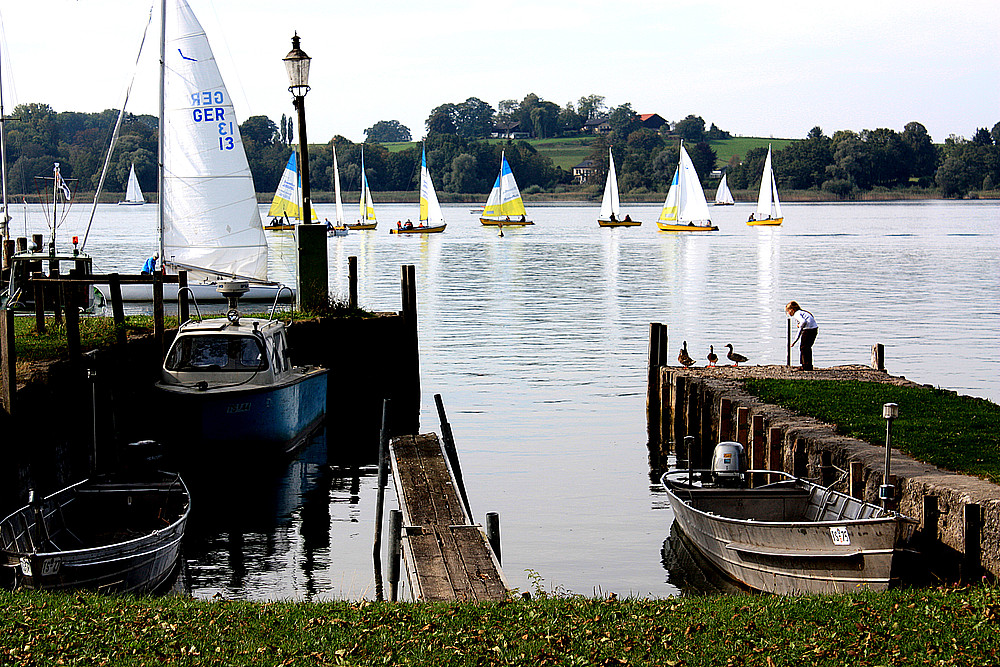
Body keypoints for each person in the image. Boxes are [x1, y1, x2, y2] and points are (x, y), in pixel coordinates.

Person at [786, 300, 818, 371]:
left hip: (809, 329)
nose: (788, 313)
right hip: (814, 329)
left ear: (792, 310)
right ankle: (808, 365)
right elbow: (801, 328)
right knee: (807, 347)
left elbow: (803, 322)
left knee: (804, 348)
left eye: (788, 311)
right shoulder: (802, 312)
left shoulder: (797, 314)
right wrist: (795, 341)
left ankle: (806, 366)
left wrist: (799, 325)